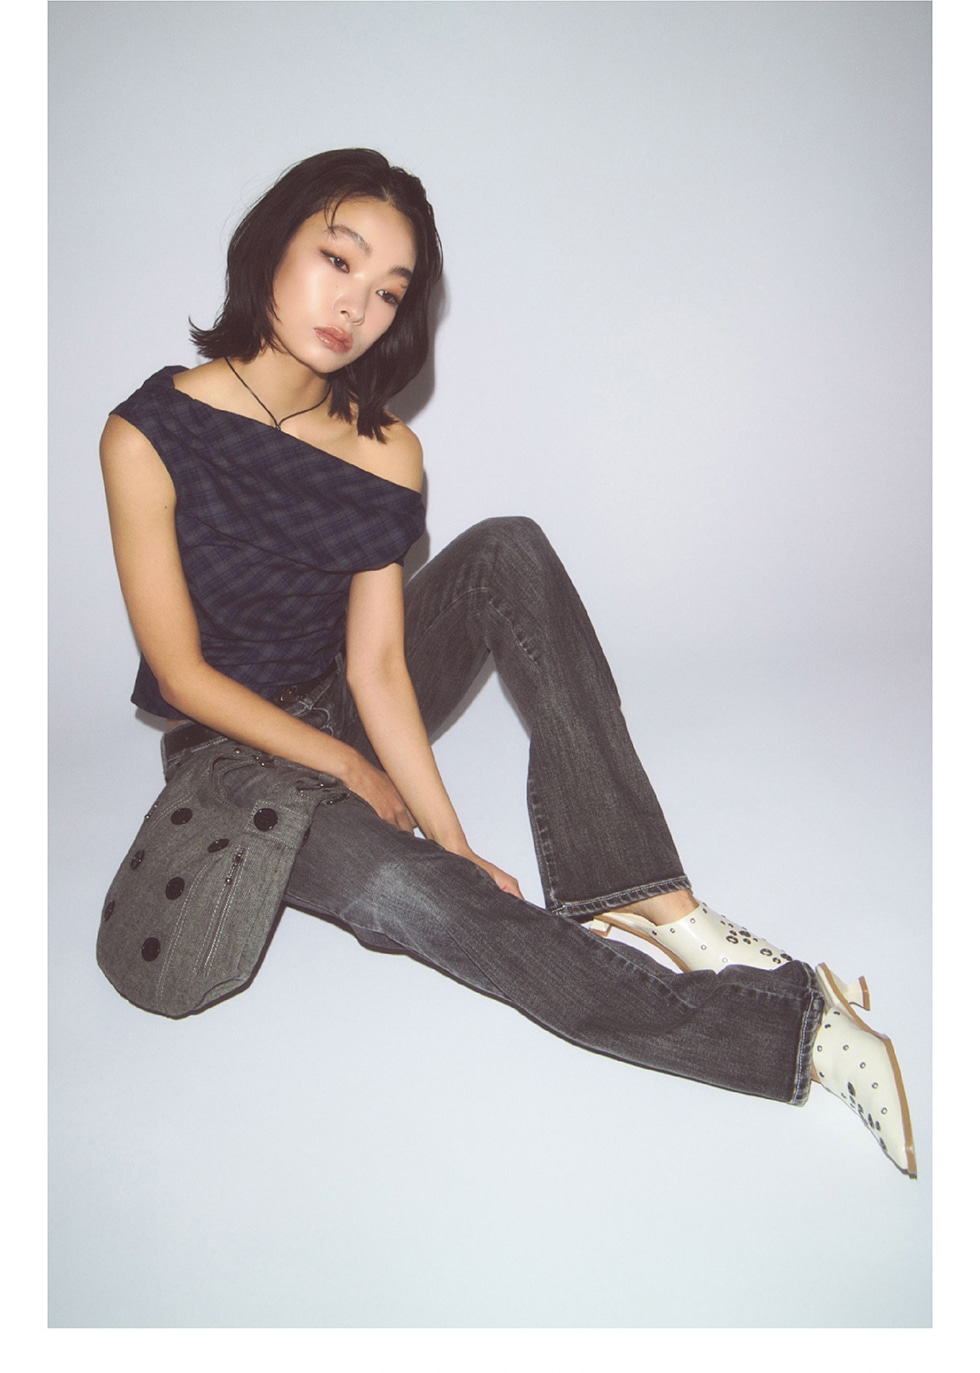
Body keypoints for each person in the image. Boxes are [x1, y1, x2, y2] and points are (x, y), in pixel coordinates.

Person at [99, 149, 916, 1178]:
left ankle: (649, 898)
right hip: (232, 759)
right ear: (272, 245)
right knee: (411, 896)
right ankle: (803, 1032)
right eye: (337, 259)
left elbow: (378, 665)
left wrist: (451, 833)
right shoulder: (149, 433)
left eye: (388, 291)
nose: (355, 305)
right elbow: (180, 675)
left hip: (341, 701)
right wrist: (356, 777)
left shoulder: (385, 450)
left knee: (506, 549)